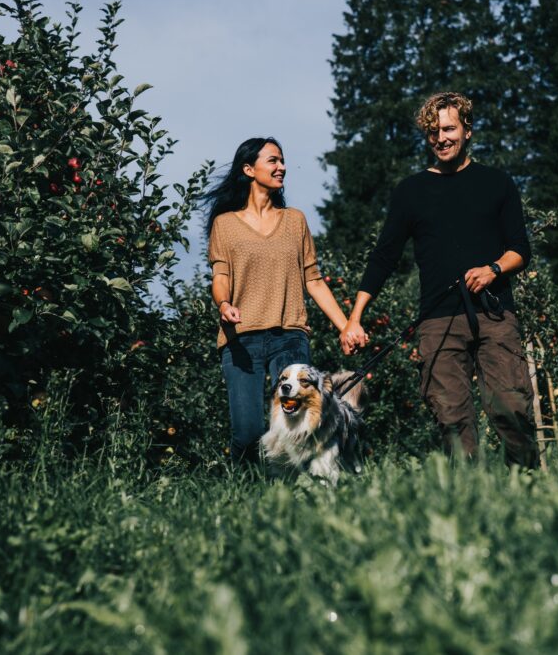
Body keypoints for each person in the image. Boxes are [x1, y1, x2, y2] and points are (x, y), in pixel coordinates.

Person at [340, 92, 538, 467]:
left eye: (449, 129)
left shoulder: (497, 183)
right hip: (437, 320)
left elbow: (520, 250)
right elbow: (384, 257)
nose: (441, 138)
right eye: (433, 132)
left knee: (511, 409)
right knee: (452, 420)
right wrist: (355, 317)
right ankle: (468, 503)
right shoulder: (410, 192)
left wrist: (493, 269)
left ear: (467, 131)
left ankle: (527, 490)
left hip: (495, 317)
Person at [205, 137, 354, 460]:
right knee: (247, 433)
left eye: (282, 160)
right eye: (273, 160)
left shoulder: (294, 221)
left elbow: (313, 280)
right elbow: (221, 277)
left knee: (297, 425)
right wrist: (224, 305)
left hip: (290, 336)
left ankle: (294, 496)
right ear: (249, 169)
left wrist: (346, 326)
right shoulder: (225, 225)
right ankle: (242, 494)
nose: (281, 167)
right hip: (241, 340)